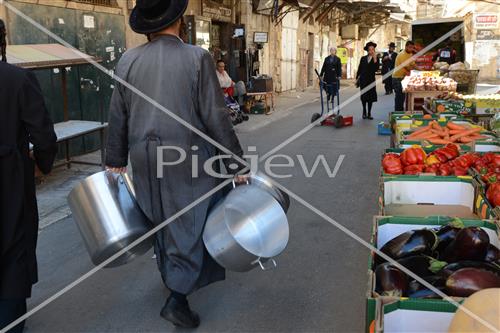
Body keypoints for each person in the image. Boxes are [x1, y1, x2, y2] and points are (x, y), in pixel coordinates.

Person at [105, 0, 246, 329]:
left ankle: (173, 279)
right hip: (185, 155)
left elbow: (117, 114)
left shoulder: (129, 59)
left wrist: (115, 159)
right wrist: (236, 163)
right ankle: (177, 298)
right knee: (192, 222)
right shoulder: (196, 57)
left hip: (144, 156)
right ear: (180, 20)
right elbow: (214, 115)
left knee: (162, 219)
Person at [0, 62, 57, 331]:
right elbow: (43, 135)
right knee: (14, 250)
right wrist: (42, 164)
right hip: (9, 180)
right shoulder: (18, 79)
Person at [356, 41, 379, 120]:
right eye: (370, 49)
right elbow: (360, 69)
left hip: (371, 80)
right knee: (364, 97)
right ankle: (364, 111)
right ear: (367, 50)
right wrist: (357, 78)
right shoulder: (363, 58)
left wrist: (375, 58)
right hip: (363, 80)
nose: (371, 51)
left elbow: (376, 69)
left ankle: (369, 113)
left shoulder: (376, 58)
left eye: (373, 49)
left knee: (370, 97)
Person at [392, 40, 416, 111]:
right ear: (406, 47)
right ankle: (398, 113)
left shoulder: (410, 54)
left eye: (412, 47)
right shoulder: (402, 54)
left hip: (403, 78)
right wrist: (412, 73)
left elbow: (413, 64)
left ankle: (401, 111)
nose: (411, 49)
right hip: (397, 78)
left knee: (402, 97)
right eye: (409, 47)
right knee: (399, 97)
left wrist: (421, 70)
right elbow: (405, 68)